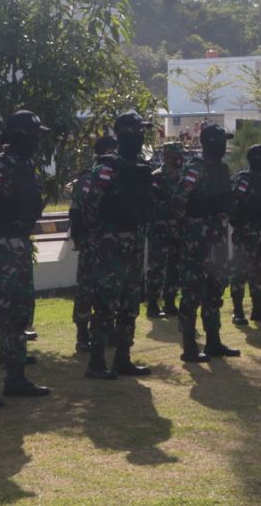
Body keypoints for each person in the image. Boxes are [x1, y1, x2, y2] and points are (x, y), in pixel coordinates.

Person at [0, 110, 51, 409]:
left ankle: (16, 378)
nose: (38, 141)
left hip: (19, 247)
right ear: (20, 136)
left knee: (19, 314)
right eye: (34, 135)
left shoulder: (26, 166)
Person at [78, 111, 157, 380]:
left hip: (135, 245)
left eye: (141, 131)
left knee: (130, 305)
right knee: (105, 304)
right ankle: (97, 362)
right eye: (136, 130)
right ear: (124, 133)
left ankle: (123, 358)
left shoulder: (140, 167)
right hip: (110, 246)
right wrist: (104, 234)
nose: (140, 135)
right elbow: (90, 206)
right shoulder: (106, 167)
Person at [173, 123, 239, 363]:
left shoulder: (223, 169)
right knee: (191, 293)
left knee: (214, 291)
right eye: (221, 141)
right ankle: (189, 346)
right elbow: (179, 201)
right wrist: (193, 224)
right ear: (211, 143)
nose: (224, 146)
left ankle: (213, 341)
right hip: (196, 242)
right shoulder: (195, 169)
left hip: (218, 240)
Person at [70, 135, 118, 353]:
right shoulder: (93, 177)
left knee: (103, 287)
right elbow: (77, 211)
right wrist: (79, 238)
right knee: (89, 288)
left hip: (105, 241)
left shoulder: (109, 175)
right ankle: (83, 334)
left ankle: (102, 331)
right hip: (95, 240)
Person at [229, 144, 261, 328]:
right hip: (245, 233)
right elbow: (234, 203)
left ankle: (257, 308)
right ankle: (238, 310)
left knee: (258, 271)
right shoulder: (244, 179)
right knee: (240, 271)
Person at [146, 141, 185, 319]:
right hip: (160, 229)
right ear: (166, 156)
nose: (179, 158)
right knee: (157, 267)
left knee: (174, 268)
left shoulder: (183, 176)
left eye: (180, 155)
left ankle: (170, 302)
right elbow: (152, 202)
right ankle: (153, 304)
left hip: (178, 230)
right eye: (175, 155)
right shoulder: (157, 177)